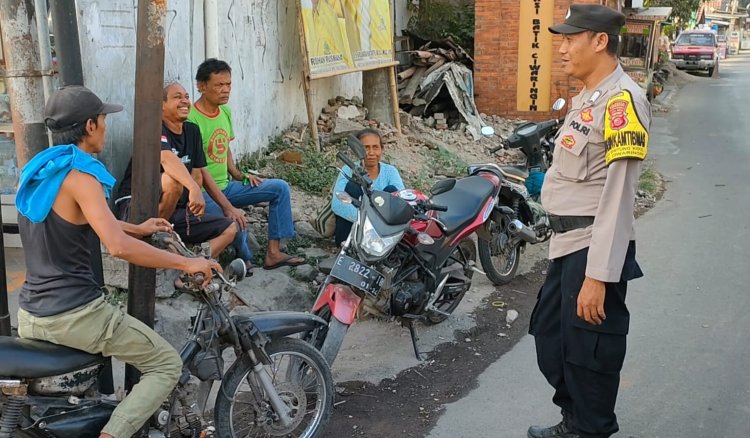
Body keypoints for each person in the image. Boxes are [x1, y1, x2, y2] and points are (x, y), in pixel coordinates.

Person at [15, 85, 220, 438]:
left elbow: (87, 222)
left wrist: (135, 227)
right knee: (165, 364)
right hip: (76, 315)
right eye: (104, 120)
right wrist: (184, 264)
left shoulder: (42, 171)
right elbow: (117, 247)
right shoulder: (81, 176)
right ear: (91, 126)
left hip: (33, 313)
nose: (106, 127)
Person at [528, 5, 649, 438]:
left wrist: (599, 275)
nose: (561, 49)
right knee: (550, 339)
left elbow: (618, 198)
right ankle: (573, 420)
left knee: (589, 353)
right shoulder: (588, 97)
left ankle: (590, 428)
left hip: (593, 248)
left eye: (569, 39)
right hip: (566, 246)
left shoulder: (622, 103)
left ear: (600, 41)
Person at [187, 58, 305, 270]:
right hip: (205, 193)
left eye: (228, 85)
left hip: (226, 186)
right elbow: (199, 168)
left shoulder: (225, 112)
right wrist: (228, 207)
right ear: (201, 86)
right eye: (219, 85)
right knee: (235, 221)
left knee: (279, 188)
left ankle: (274, 253)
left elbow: (225, 149)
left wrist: (240, 175)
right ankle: (243, 258)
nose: (225, 90)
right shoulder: (191, 119)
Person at [114, 81, 237, 265]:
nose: (185, 101)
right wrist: (193, 188)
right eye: (177, 97)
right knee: (172, 182)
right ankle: (153, 240)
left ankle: (195, 267)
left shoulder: (192, 131)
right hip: (136, 206)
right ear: (161, 105)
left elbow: (198, 173)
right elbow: (166, 158)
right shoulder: (153, 129)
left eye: (187, 96)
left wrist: (226, 206)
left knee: (230, 228)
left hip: (174, 209)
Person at [331, 128, 404, 246]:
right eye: (366, 148)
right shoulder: (348, 170)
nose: (371, 152)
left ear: (382, 150)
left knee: (392, 191)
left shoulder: (390, 172)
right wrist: (367, 223)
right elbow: (337, 204)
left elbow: (401, 202)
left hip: (381, 233)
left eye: (375, 147)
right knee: (352, 187)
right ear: (357, 150)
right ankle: (347, 245)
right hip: (353, 231)